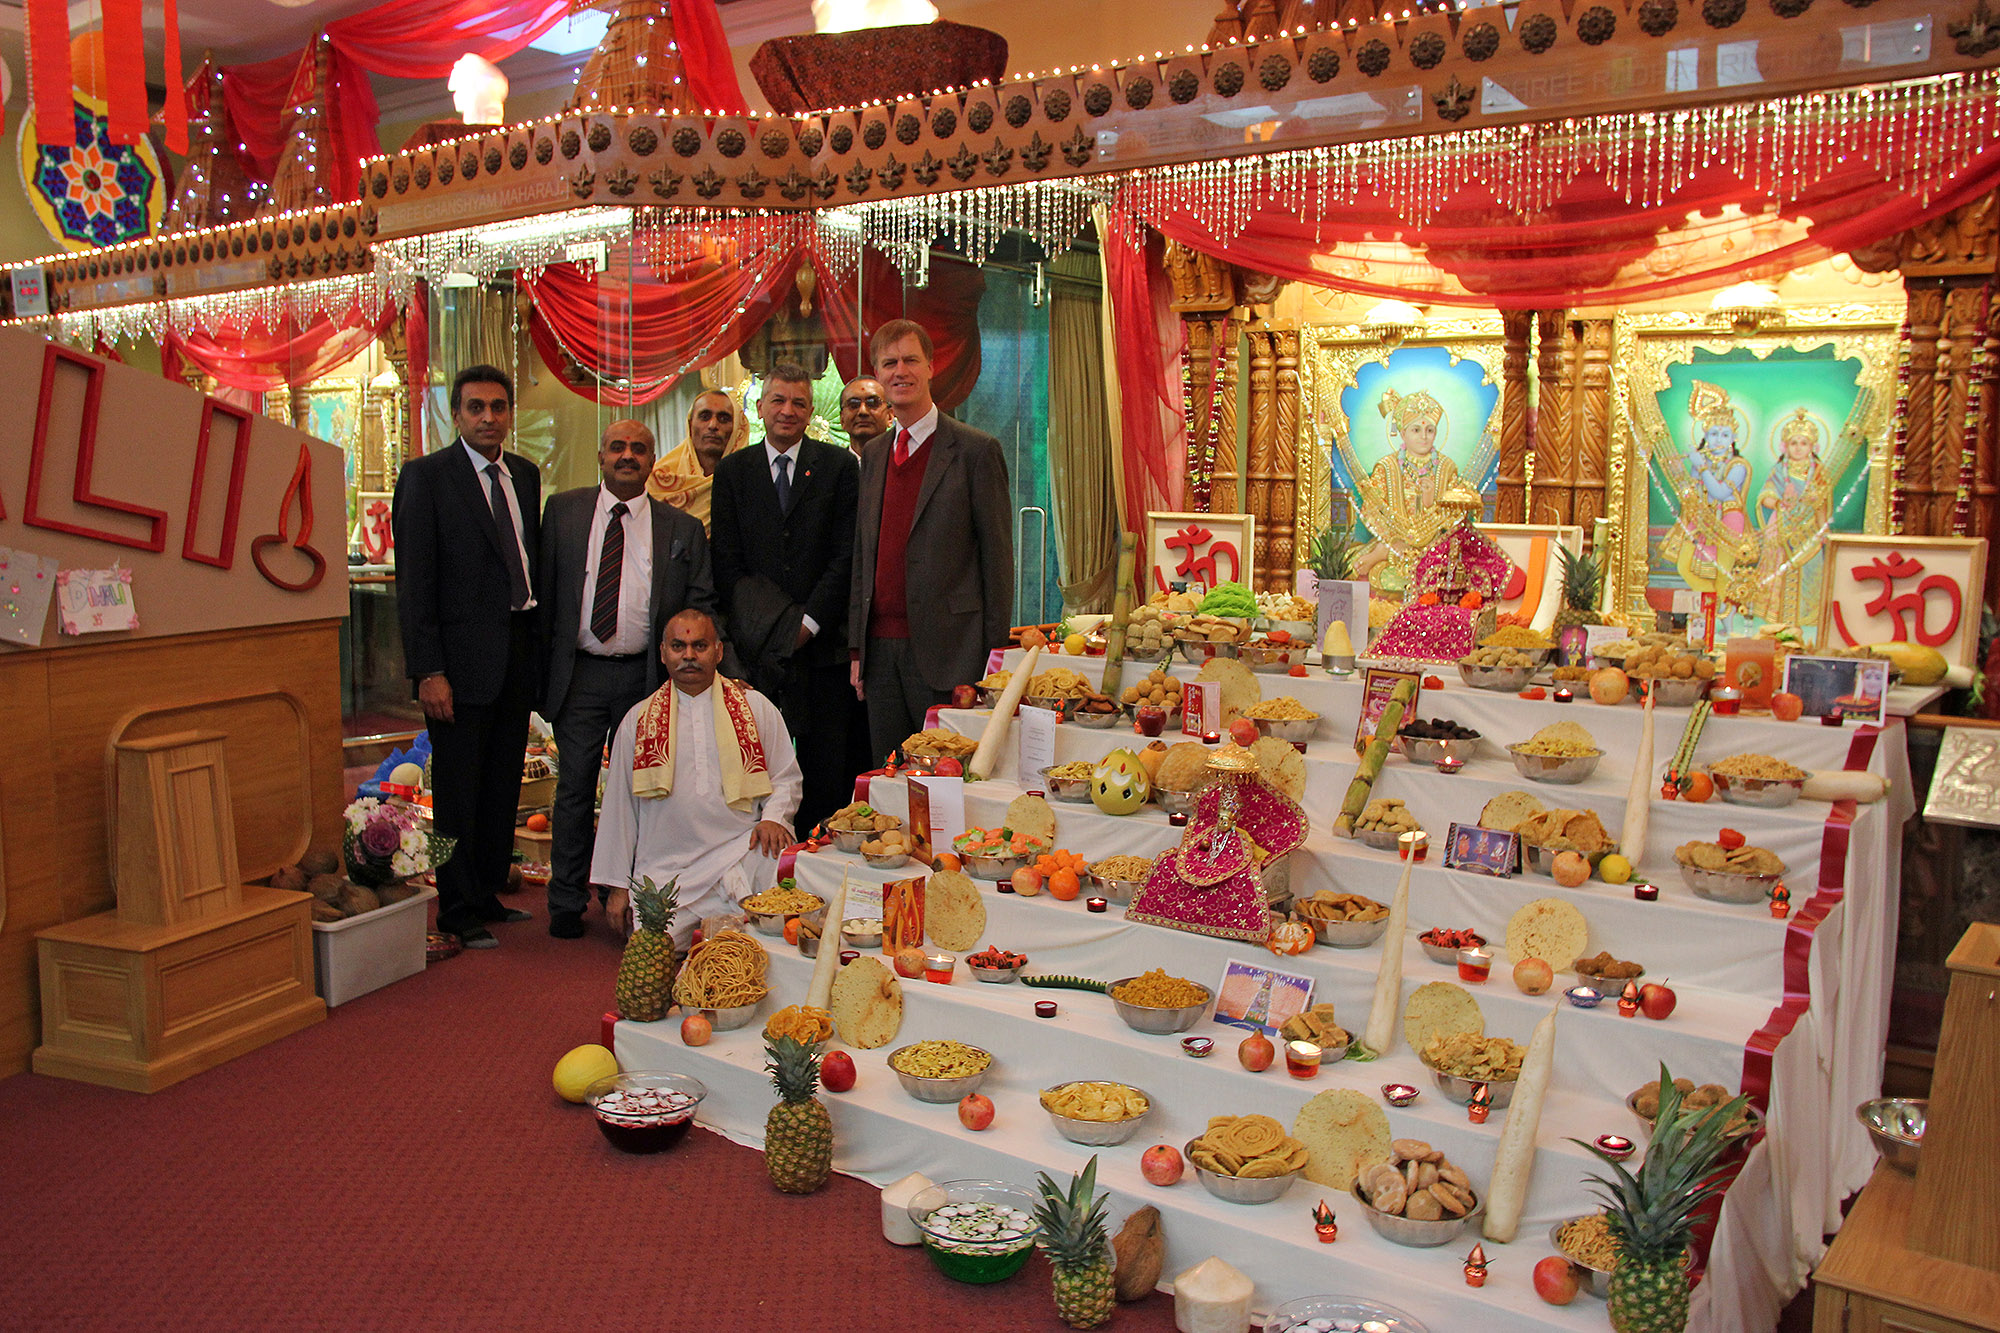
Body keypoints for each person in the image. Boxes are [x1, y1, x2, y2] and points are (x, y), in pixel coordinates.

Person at [537, 419, 718, 940]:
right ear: (600, 454)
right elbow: (547, 599)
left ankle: (629, 896)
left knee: (644, 791)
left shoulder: (680, 528)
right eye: (617, 446)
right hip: (581, 674)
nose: (627, 456)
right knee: (573, 788)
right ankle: (567, 899)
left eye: (639, 449)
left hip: (646, 678)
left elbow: (699, 604)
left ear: (652, 460)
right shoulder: (564, 512)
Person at [391, 365, 541, 950]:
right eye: (475, 407)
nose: (487, 417)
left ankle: (484, 894)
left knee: (502, 787)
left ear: (509, 414)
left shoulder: (524, 476)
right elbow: (416, 584)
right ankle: (455, 908)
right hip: (455, 667)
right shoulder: (427, 477)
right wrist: (428, 670)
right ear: (456, 414)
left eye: (498, 407)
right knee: (457, 792)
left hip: (515, 654)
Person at [849, 319, 1016, 765]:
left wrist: (993, 666)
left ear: (931, 367)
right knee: (889, 775)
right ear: (879, 375)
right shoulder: (874, 455)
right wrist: (857, 651)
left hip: (952, 652)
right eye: (889, 363)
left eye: (909, 360)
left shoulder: (976, 451)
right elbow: (863, 557)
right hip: (880, 655)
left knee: (948, 779)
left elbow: (998, 562)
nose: (899, 371)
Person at [710, 362, 861, 838]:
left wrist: (808, 624)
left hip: (823, 648)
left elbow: (845, 555)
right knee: (754, 772)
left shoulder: (839, 467)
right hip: (756, 653)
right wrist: (770, 631)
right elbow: (727, 563)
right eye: (777, 400)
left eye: (798, 402)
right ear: (759, 408)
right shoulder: (734, 472)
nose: (787, 411)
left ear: (811, 410)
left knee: (826, 775)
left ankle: (818, 876)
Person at [591, 609, 802, 948]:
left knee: (781, 866)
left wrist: (775, 818)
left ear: (719, 651)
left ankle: (739, 929)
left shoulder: (755, 707)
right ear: (662, 653)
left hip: (739, 854)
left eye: (699, 646)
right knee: (659, 946)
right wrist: (617, 888)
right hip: (667, 873)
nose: (689, 655)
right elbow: (619, 810)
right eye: (678, 646)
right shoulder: (638, 721)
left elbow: (785, 777)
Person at [1353, 387, 1462, 593]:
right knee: (1362, 569)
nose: (1424, 437)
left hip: (1434, 547)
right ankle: (1382, 553)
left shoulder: (1447, 468)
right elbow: (1372, 511)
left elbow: (1455, 515)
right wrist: (1394, 541)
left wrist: (1431, 503)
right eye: (1416, 430)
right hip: (1393, 546)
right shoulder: (1386, 467)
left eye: (1430, 430)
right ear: (1402, 433)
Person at [647, 387, 748, 531]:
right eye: (705, 417)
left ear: (738, 429)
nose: (713, 425)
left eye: (723, 419)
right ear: (690, 424)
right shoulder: (658, 478)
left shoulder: (750, 480)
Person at [838, 376, 892, 450]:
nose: (863, 411)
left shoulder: (903, 460)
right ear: (842, 419)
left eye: (872, 403)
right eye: (853, 404)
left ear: (890, 416)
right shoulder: (831, 461)